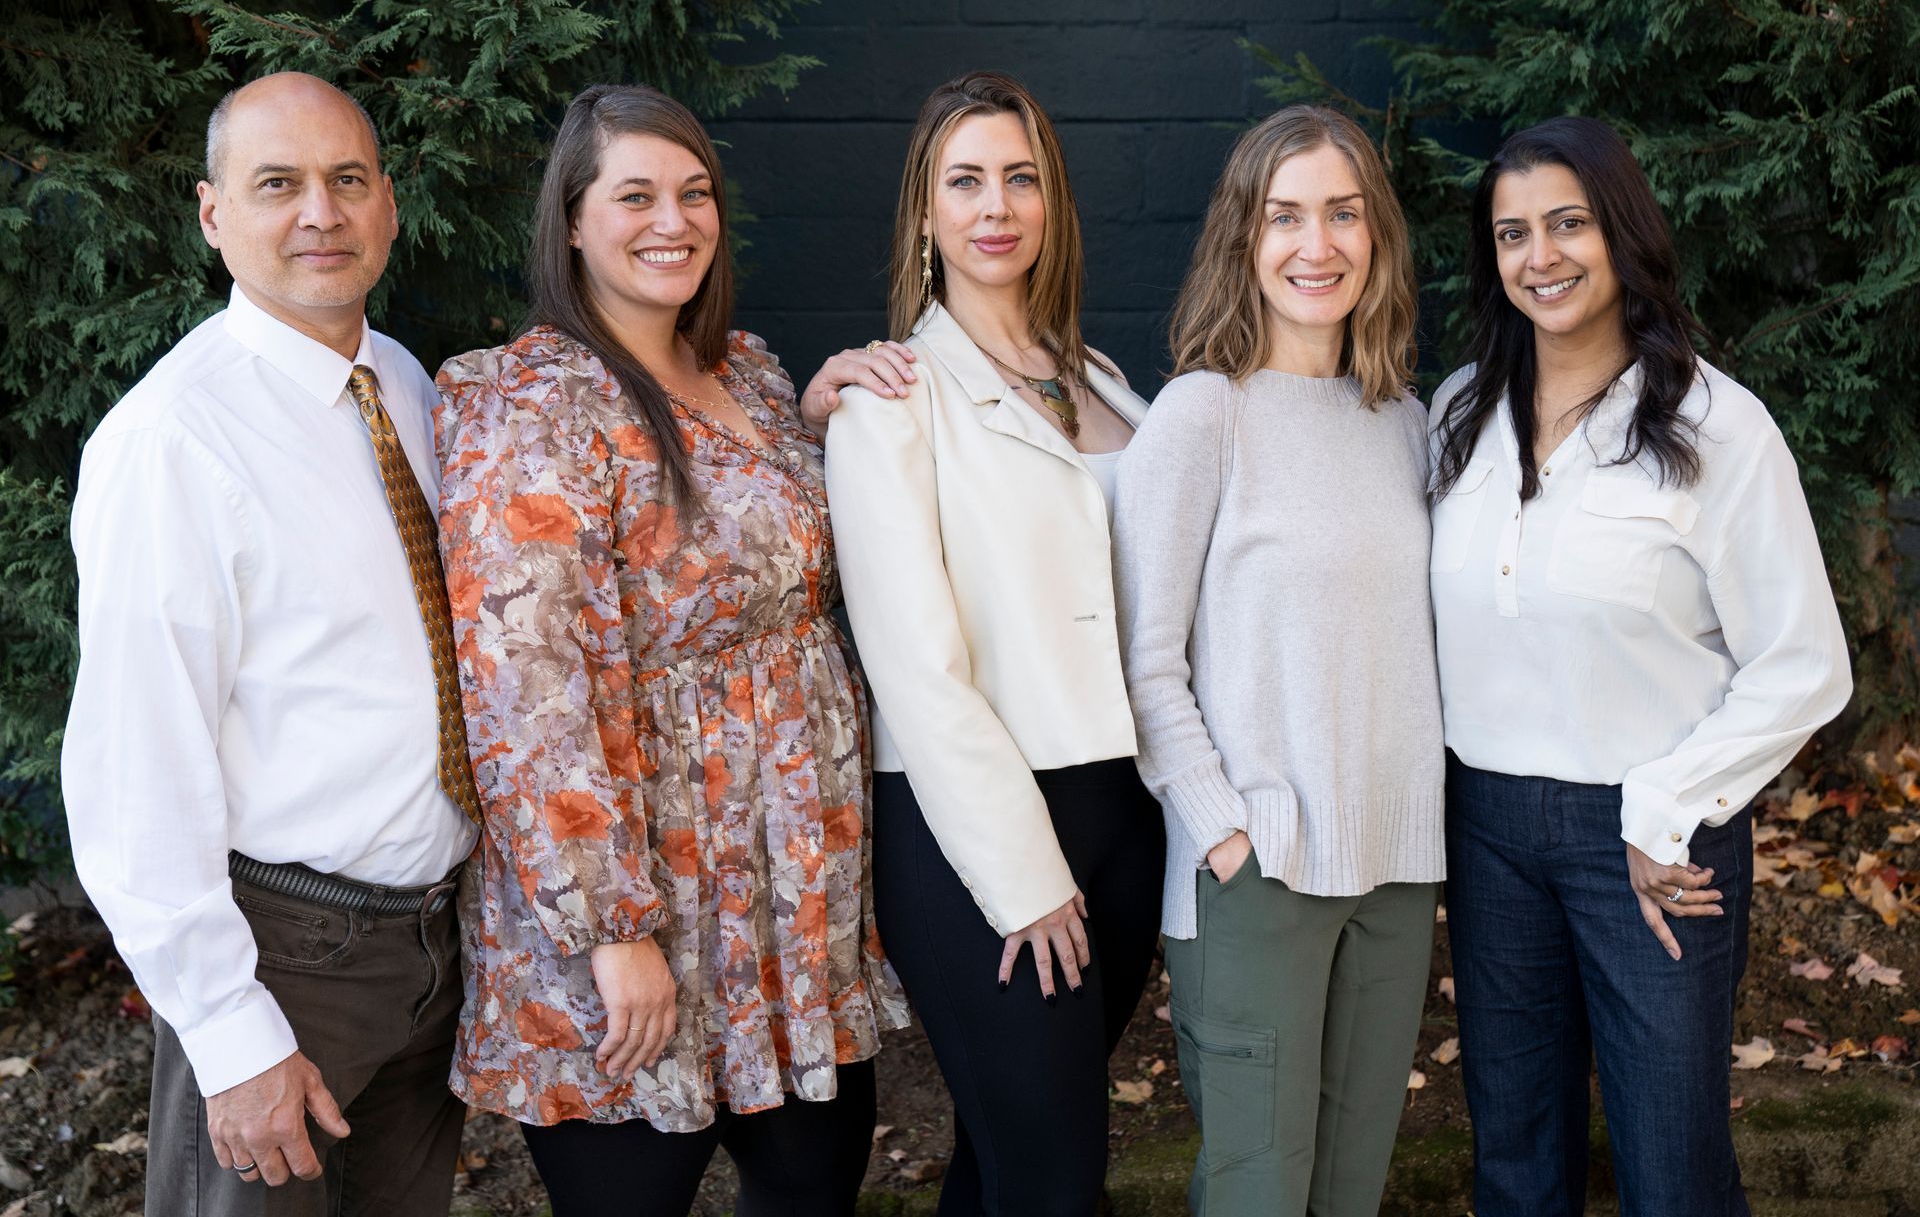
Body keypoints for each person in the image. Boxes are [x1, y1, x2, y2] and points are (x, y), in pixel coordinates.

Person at [434, 83, 909, 1217]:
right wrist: (614, 932)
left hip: (792, 891)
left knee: (813, 1184)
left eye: (694, 193)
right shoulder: (536, 404)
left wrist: (822, 421)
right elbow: (527, 692)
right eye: (636, 194)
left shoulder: (744, 370)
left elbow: (744, 559)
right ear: (572, 222)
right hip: (647, 894)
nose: (673, 220)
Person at [61, 72, 480, 1216]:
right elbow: (134, 765)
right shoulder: (172, 440)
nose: (321, 213)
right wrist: (231, 1031)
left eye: (349, 180)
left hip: (430, 941)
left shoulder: (402, 383)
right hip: (286, 955)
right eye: (278, 184)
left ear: (388, 203)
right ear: (212, 214)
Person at [1427, 115, 1852, 1216]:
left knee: (1673, 1171)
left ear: (1622, 233)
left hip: (1651, 838)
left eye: (1569, 223)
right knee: (1516, 1162)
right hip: (1487, 828)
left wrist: (1665, 807)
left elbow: (1805, 661)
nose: (1542, 256)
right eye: (1513, 232)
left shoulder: (1718, 426)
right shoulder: (1458, 415)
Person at [822, 70, 1166, 1215]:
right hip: (982, 832)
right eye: (964, 180)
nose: (995, 204)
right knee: (1059, 1181)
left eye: (1020, 177)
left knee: (1010, 1158)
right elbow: (916, 671)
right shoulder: (890, 403)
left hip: (1125, 813)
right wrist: (1025, 879)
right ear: (926, 214)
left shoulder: (1108, 381)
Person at [1113, 104, 1446, 1217]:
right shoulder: (1202, 415)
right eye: (1286, 216)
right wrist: (1222, 825)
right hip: (1259, 869)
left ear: (1377, 234)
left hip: (1397, 870)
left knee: (1350, 1188)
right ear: (1243, 241)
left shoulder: (1404, 421)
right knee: (1259, 1190)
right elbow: (1145, 658)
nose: (1318, 245)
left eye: (1344, 213)